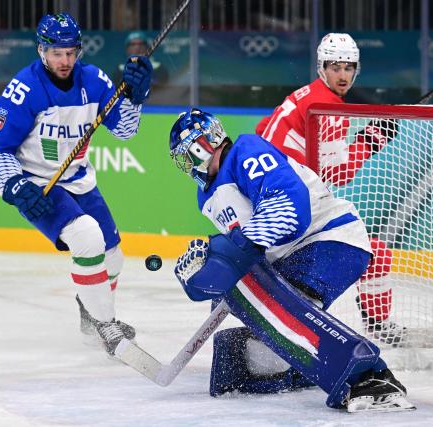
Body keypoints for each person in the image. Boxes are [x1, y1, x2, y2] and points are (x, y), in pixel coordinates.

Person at [167, 108, 414, 412]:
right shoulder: (206, 197)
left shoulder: (246, 151)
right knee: (255, 357)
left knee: (260, 299)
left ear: (205, 143)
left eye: (188, 153)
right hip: (293, 258)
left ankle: (368, 376)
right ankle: (304, 368)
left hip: (330, 241)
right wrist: (217, 276)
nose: (188, 164)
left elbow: (289, 205)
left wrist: (232, 256)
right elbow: (252, 251)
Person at [0, 13, 153, 355]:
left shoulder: (95, 81)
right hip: (40, 185)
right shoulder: (24, 89)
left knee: (113, 257)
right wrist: (16, 185)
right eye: (57, 53)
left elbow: (126, 130)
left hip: (79, 179)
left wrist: (137, 94)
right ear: (42, 51)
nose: (65, 60)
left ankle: (92, 315)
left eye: (71, 52)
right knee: (87, 237)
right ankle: (107, 325)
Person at [255, 33, 402, 345]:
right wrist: (372, 139)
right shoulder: (326, 107)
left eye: (349, 67)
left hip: (263, 210)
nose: (343, 75)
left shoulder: (303, 96)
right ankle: (377, 324)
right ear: (322, 67)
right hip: (290, 215)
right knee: (375, 252)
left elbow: (261, 128)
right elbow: (339, 173)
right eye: (336, 67)